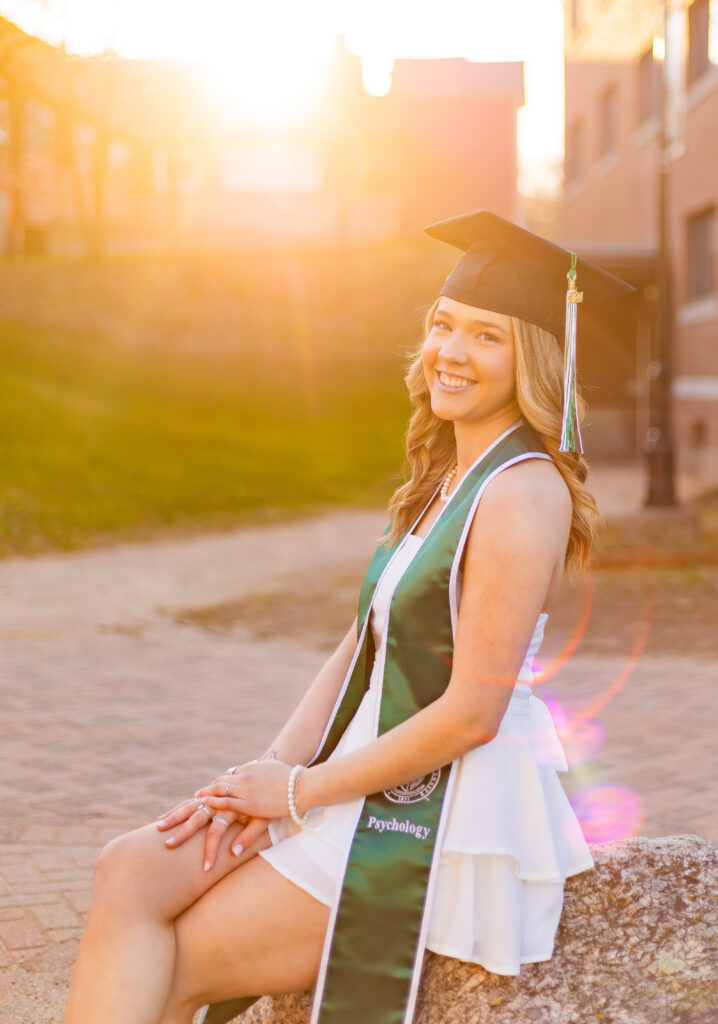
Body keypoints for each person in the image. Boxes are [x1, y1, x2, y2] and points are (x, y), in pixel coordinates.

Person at [63, 211, 635, 1024]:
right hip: (350, 772)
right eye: (444, 326)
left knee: (179, 961)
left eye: (487, 337)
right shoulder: (447, 479)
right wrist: (254, 780)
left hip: (431, 807)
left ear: (533, 359)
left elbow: (472, 714)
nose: (452, 353)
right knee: (128, 871)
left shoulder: (521, 492)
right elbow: (361, 646)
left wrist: (296, 792)